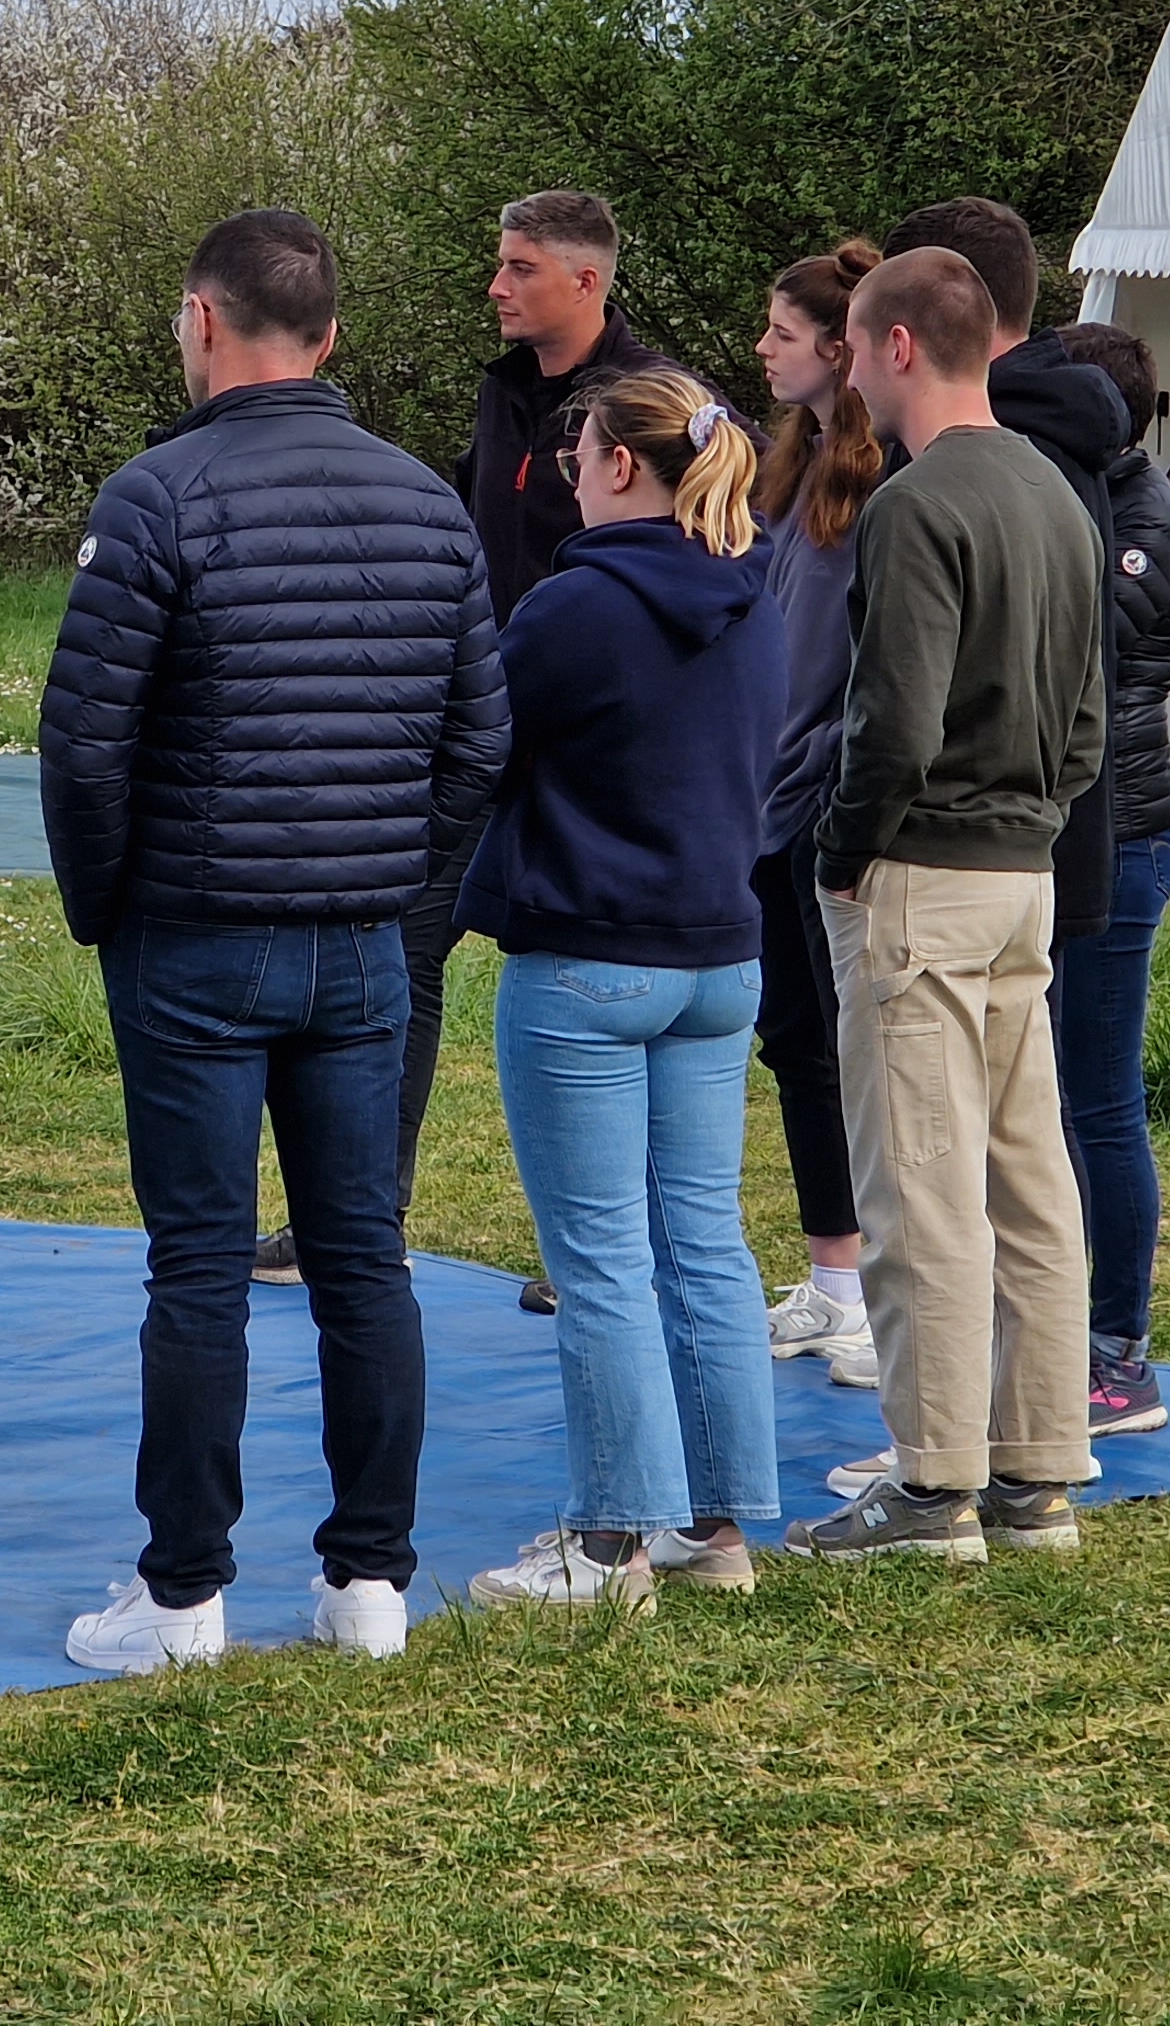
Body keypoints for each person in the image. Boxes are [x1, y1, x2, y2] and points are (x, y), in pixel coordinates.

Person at [40, 209, 509, 1671]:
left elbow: (85, 745)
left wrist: (107, 907)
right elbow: (477, 741)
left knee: (198, 1267)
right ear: (329, 335)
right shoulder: (427, 502)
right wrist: (401, 892)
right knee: (365, 1262)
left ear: (201, 320)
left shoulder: (158, 497)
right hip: (359, 941)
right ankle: (369, 1586)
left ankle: (183, 1599)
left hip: (199, 934)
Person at [259, 185, 654, 1292]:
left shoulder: (649, 403)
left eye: (521, 267)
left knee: (597, 987)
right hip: (472, 730)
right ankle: (357, 1222)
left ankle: (597, 1254)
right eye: (499, 263)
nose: (495, 287)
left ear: (585, 279)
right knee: (398, 961)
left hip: (589, 753)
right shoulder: (503, 394)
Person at [790, 247, 1106, 1566]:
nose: (851, 374)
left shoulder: (916, 505)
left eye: (857, 347)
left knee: (920, 1190)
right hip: (1024, 873)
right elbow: (1085, 722)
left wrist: (843, 850)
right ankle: (1036, 1474)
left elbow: (895, 720)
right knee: (1028, 1183)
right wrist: (1028, 822)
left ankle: (931, 1489)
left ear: (901, 347)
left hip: (918, 874)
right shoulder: (1055, 493)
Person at [456, 369, 788, 1609]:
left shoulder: (575, 606)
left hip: (588, 960)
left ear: (615, 467)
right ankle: (716, 1527)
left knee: (598, 1259)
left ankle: (608, 1545)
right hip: (719, 956)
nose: (568, 476)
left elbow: (477, 748)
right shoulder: (758, 597)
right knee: (703, 1242)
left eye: (577, 453)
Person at [878, 200, 1128, 958]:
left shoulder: (967, 463)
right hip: (1034, 845)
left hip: (948, 849)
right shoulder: (1059, 444)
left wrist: (848, 836)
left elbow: (907, 698)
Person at [1053, 320, 1170, 1443]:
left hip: (1123, 836)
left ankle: (1119, 1358)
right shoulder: (1090, 499)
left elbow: (1073, 649)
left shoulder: (1143, 520)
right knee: (1053, 1102)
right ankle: (1060, 1333)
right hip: (1075, 835)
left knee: (1099, 1101)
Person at [748, 243, 884, 1377]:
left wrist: (829, 768)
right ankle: (834, 1280)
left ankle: (888, 1292)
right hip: (766, 797)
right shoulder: (785, 471)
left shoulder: (885, 481)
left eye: (781, 332)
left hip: (829, 802)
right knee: (795, 1042)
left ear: (841, 350)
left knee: (857, 1050)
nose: (761, 349)